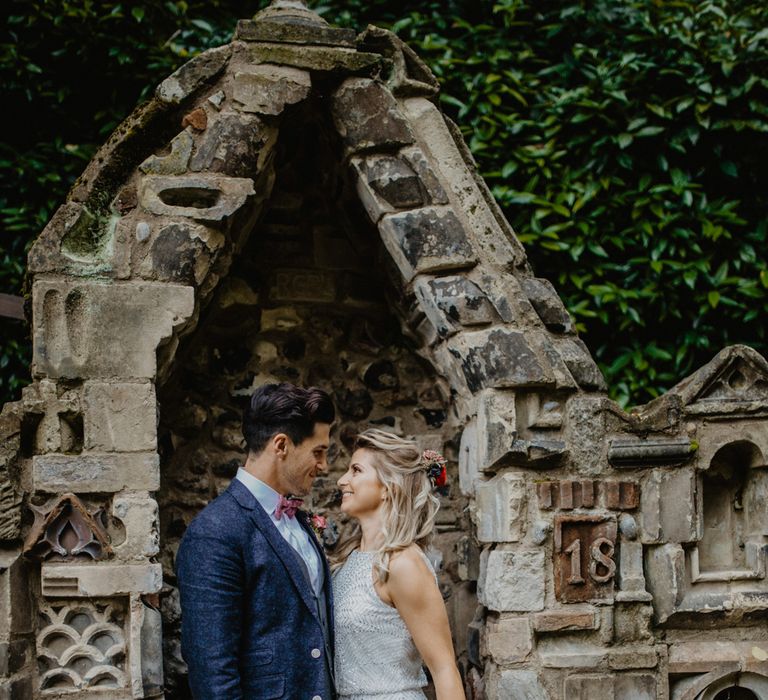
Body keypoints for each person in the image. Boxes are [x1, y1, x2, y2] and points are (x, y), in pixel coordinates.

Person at [176, 382, 336, 700]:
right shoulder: (215, 532)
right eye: (318, 452)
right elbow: (213, 676)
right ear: (281, 445)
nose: (324, 466)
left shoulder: (299, 520)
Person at [331, 429, 465, 700]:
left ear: (388, 488)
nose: (341, 480)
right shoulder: (348, 559)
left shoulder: (404, 563)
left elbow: (443, 669)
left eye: (356, 471)